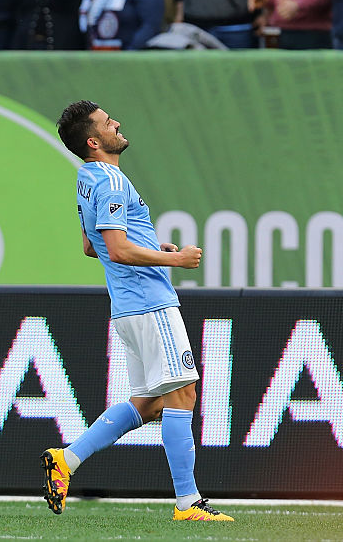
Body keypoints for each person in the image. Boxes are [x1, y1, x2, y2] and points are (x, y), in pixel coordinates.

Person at [45, 100, 233, 523]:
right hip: (149, 303)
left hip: (128, 306)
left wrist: (151, 247)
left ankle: (67, 460)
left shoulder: (86, 178)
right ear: (94, 141)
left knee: (149, 404)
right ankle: (188, 503)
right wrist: (175, 259)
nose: (117, 123)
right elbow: (114, 248)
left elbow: (90, 245)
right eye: (107, 123)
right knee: (183, 393)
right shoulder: (110, 179)